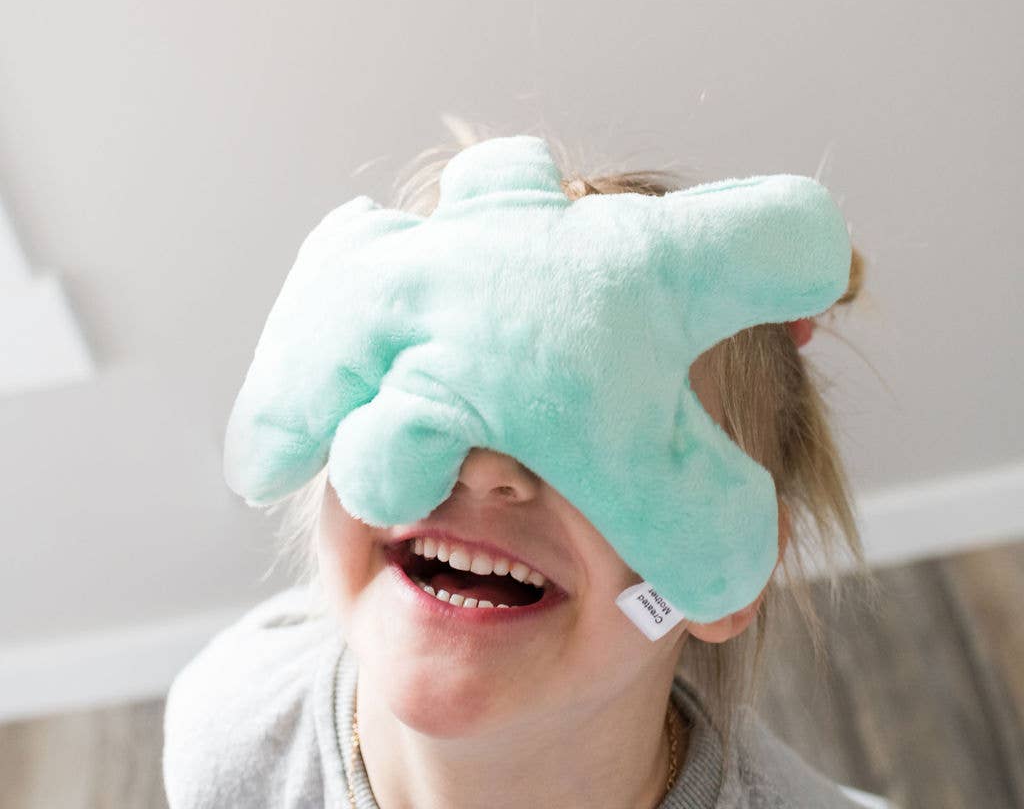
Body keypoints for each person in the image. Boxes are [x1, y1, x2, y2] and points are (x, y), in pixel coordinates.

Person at [163, 132, 884, 808]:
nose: (482, 471)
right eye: (433, 390)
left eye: (594, 432)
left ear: (733, 568)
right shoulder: (230, 734)